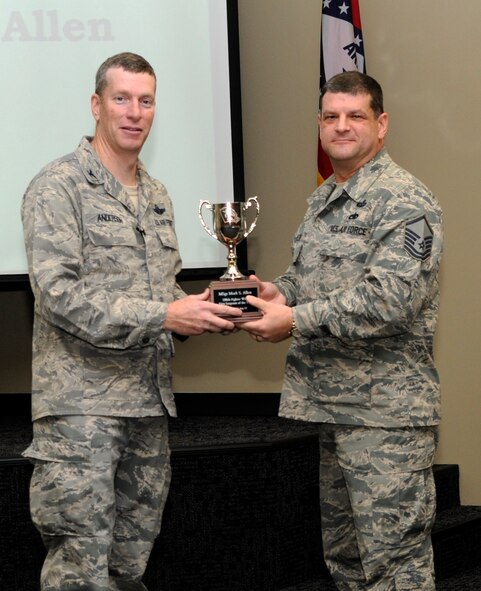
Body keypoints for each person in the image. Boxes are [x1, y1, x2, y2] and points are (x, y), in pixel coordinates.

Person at [21, 52, 241, 591]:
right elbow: (58, 295)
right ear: (97, 105)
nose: (134, 112)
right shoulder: (58, 187)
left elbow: (160, 292)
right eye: (121, 98)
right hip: (82, 412)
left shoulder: (158, 195)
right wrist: (164, 313)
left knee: (128, 570)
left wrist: (209, 304)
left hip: (147, 406)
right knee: (80, 572)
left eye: (146, 101)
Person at [240, 71, 443, 590]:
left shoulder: (404, 201)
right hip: (331, 406)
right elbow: (311, 278)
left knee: (395, 567)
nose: (341, 126)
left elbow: (390, 301)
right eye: (331, 116)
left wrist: (295, 320)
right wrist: (277, 294)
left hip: (385, 418)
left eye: (355, 116)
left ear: (382, 124)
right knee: (348, 562)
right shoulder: (326, 198)